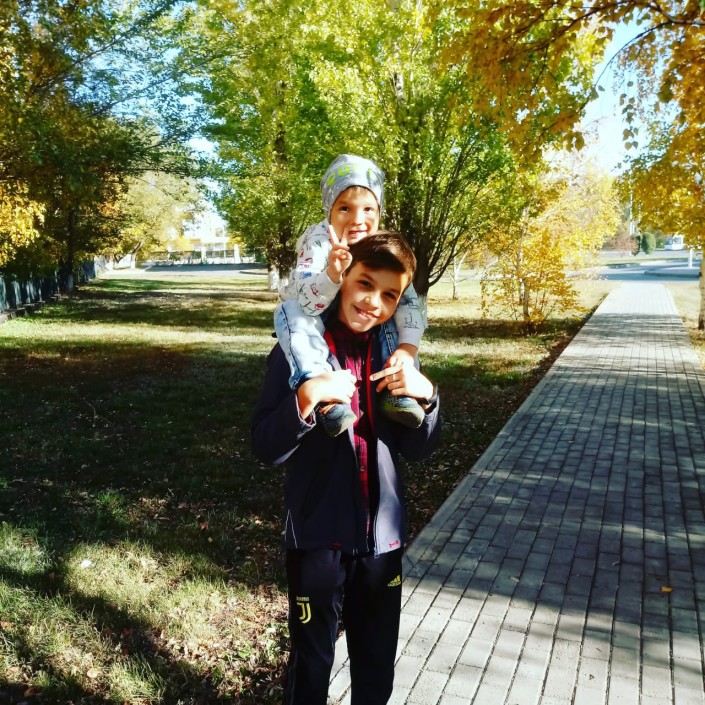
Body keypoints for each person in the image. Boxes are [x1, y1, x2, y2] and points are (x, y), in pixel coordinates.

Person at [252, 233, 441, 705]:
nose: (374, 302)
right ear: (343, 277)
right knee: (312, 665)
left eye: (390, 295)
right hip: (316, 541)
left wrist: (428, 397)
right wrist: (304, 401)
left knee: (376, 667)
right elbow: (266, 445)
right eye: (365, 284)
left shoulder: (394, 358)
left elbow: (419, 448)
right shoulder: (299, 352)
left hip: (381, 545)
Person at [274, 154, 426, 437]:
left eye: (368, 209)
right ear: (329, 210)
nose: (358, 220)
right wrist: (332, 274)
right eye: (345, 208)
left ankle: (399, 392)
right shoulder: (317, 242)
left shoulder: (384, 249)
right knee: (291, 312)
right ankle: (318, 386)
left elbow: (409, 305)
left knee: (399, 330)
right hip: (314, 315)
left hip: (368, 338)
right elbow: (306, 302)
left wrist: (408, 349)